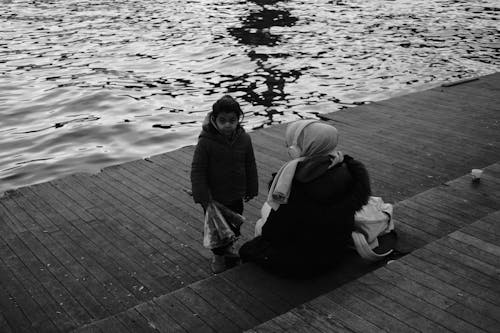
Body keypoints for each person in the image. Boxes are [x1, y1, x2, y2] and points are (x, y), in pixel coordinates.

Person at [239, 119, 371, 278]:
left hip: (305, 263)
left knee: (258, 230)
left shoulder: (295, 186)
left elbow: (273, 233)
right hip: (336, 250)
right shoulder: (347, 169)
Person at [191, 95, 259, 273]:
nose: (227, 125)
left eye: (232, 120)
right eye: (222, 121)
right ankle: (218, 256)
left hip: (236, 192)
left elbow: (250, 163)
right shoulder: (206, 141)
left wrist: (252, 188)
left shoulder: (244, 138)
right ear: (214, 120)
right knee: (216, 229)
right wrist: (202, 196)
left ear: (238, 119)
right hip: (214, 197)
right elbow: (198, 169)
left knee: (235, 224)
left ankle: (229, 247)